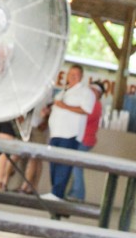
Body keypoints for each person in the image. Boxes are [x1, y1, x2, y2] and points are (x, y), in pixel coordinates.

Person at [41, 64, 95, 200]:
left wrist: (64, 106)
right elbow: (58, 107)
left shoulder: (85, 92)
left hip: (70, 134)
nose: (72, 77)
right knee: (53, 163)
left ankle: (57, 193)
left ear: (81, 77)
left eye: (75, 75)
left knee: (63, 164)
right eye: (70, 74)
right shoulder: (62, 92)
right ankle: (54, 191)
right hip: (56, 133)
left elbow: (86, 110)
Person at [67, 81, 105, 202]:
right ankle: (73, 192)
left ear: (98, 93)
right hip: (82, 139)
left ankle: (78, 194)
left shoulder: (95, 105)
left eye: (93, 90)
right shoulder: (92, 103)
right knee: (75, 166)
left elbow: (85, 116)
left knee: (77, 166)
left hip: (85, 140)